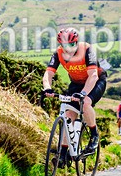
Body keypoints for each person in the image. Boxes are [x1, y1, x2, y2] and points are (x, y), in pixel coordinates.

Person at [43, 27, 107, 164]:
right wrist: (47, 88)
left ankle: (94, 135)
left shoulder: (87, 50)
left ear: (77, 42)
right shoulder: (58, 53)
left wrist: (83, 94)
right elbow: (48, 73)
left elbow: (93, 75)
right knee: (68, 117)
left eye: (72, 45)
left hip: (95, 81)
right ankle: (64, 154)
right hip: (76, 84)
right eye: (65, 45)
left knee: (86, 103)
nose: (69, 49)